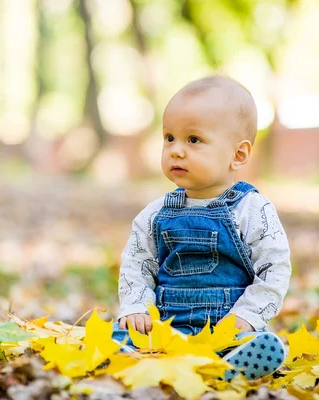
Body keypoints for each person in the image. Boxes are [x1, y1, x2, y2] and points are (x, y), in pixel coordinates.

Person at [112, 75, 291, 380]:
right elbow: (136, 265)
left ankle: (231, 364)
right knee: (117, 338)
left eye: (193, 140)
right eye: (169, 137)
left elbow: (274, 270)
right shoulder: (155, 214)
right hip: (168, 329)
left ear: (238, 154)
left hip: (228, 329)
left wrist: (246, 317)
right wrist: (137, 307)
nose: (176, 150)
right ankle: (158, 359)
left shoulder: (252, 209)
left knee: (254, 343)